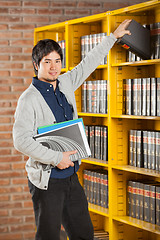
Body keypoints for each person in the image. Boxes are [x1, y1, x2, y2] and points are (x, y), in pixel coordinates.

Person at [13, 19, 131, 240]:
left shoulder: (65, 83)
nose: (53, 66)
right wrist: (56, 157)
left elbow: (87, 63)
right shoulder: (28, 99)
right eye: (47, 61)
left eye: (57, 61)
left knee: (83, 233)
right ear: (36, 64)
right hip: (47, 180)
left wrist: (112, 38)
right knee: (49, 236)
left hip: (71, 176)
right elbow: (20, 141)